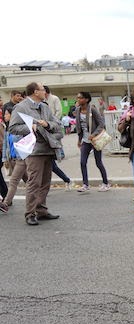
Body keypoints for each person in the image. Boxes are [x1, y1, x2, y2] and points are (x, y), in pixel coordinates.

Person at [8, 82, 62, 226]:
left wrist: (47, 124)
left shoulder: (44, 106)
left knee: (45, 182)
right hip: (34, 150)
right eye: (43, 89)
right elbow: (12, 128)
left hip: (48, 148)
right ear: (35, 92)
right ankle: (30, 213)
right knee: (34, 182)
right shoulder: (20, 107)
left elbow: (57, 124)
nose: (45, 91)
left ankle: (41, 210)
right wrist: (29, 127)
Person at [74, 92, 110, 193]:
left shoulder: (92, 109)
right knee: (82, 162)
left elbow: (101, 123)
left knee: (98, 162)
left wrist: (94, 134)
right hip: (85, 140)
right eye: (77, 98)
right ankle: (85, 184)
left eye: (80, 98)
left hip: (95, 140)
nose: (78, 99)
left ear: (86, 99)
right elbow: (79, 127)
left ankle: (106, 183)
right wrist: (79, 140)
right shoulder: (77, 110)